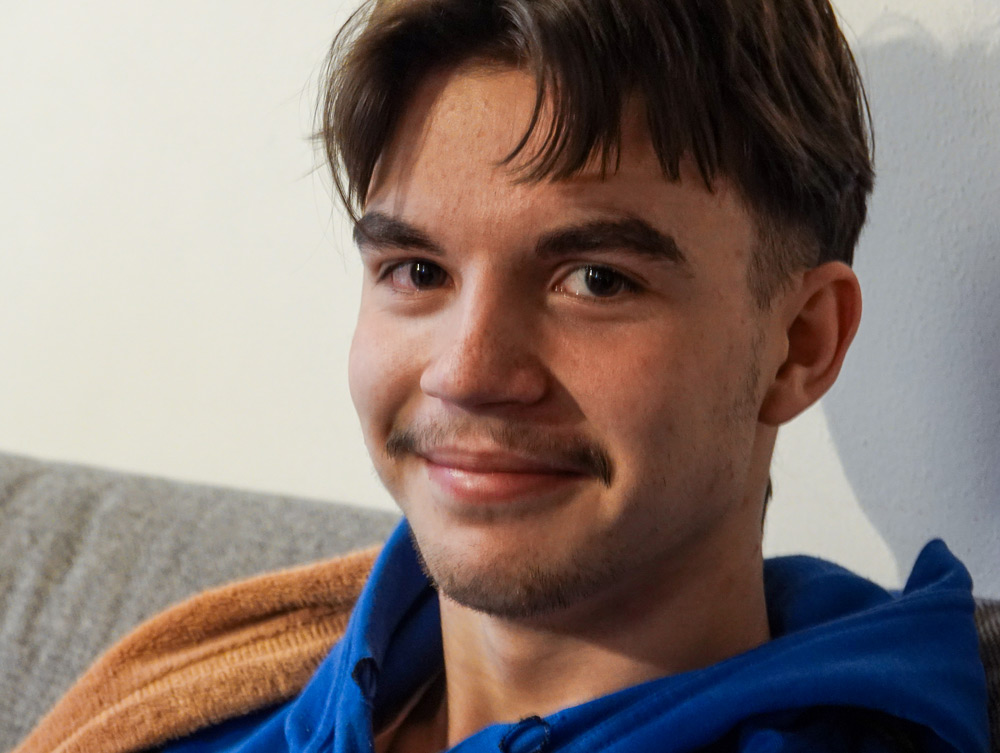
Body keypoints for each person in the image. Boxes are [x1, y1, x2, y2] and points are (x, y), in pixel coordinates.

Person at [15, 1, 989, 752]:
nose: (468, 372)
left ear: (800, 344)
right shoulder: (204, 689)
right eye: (416, 272)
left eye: (595, 280)